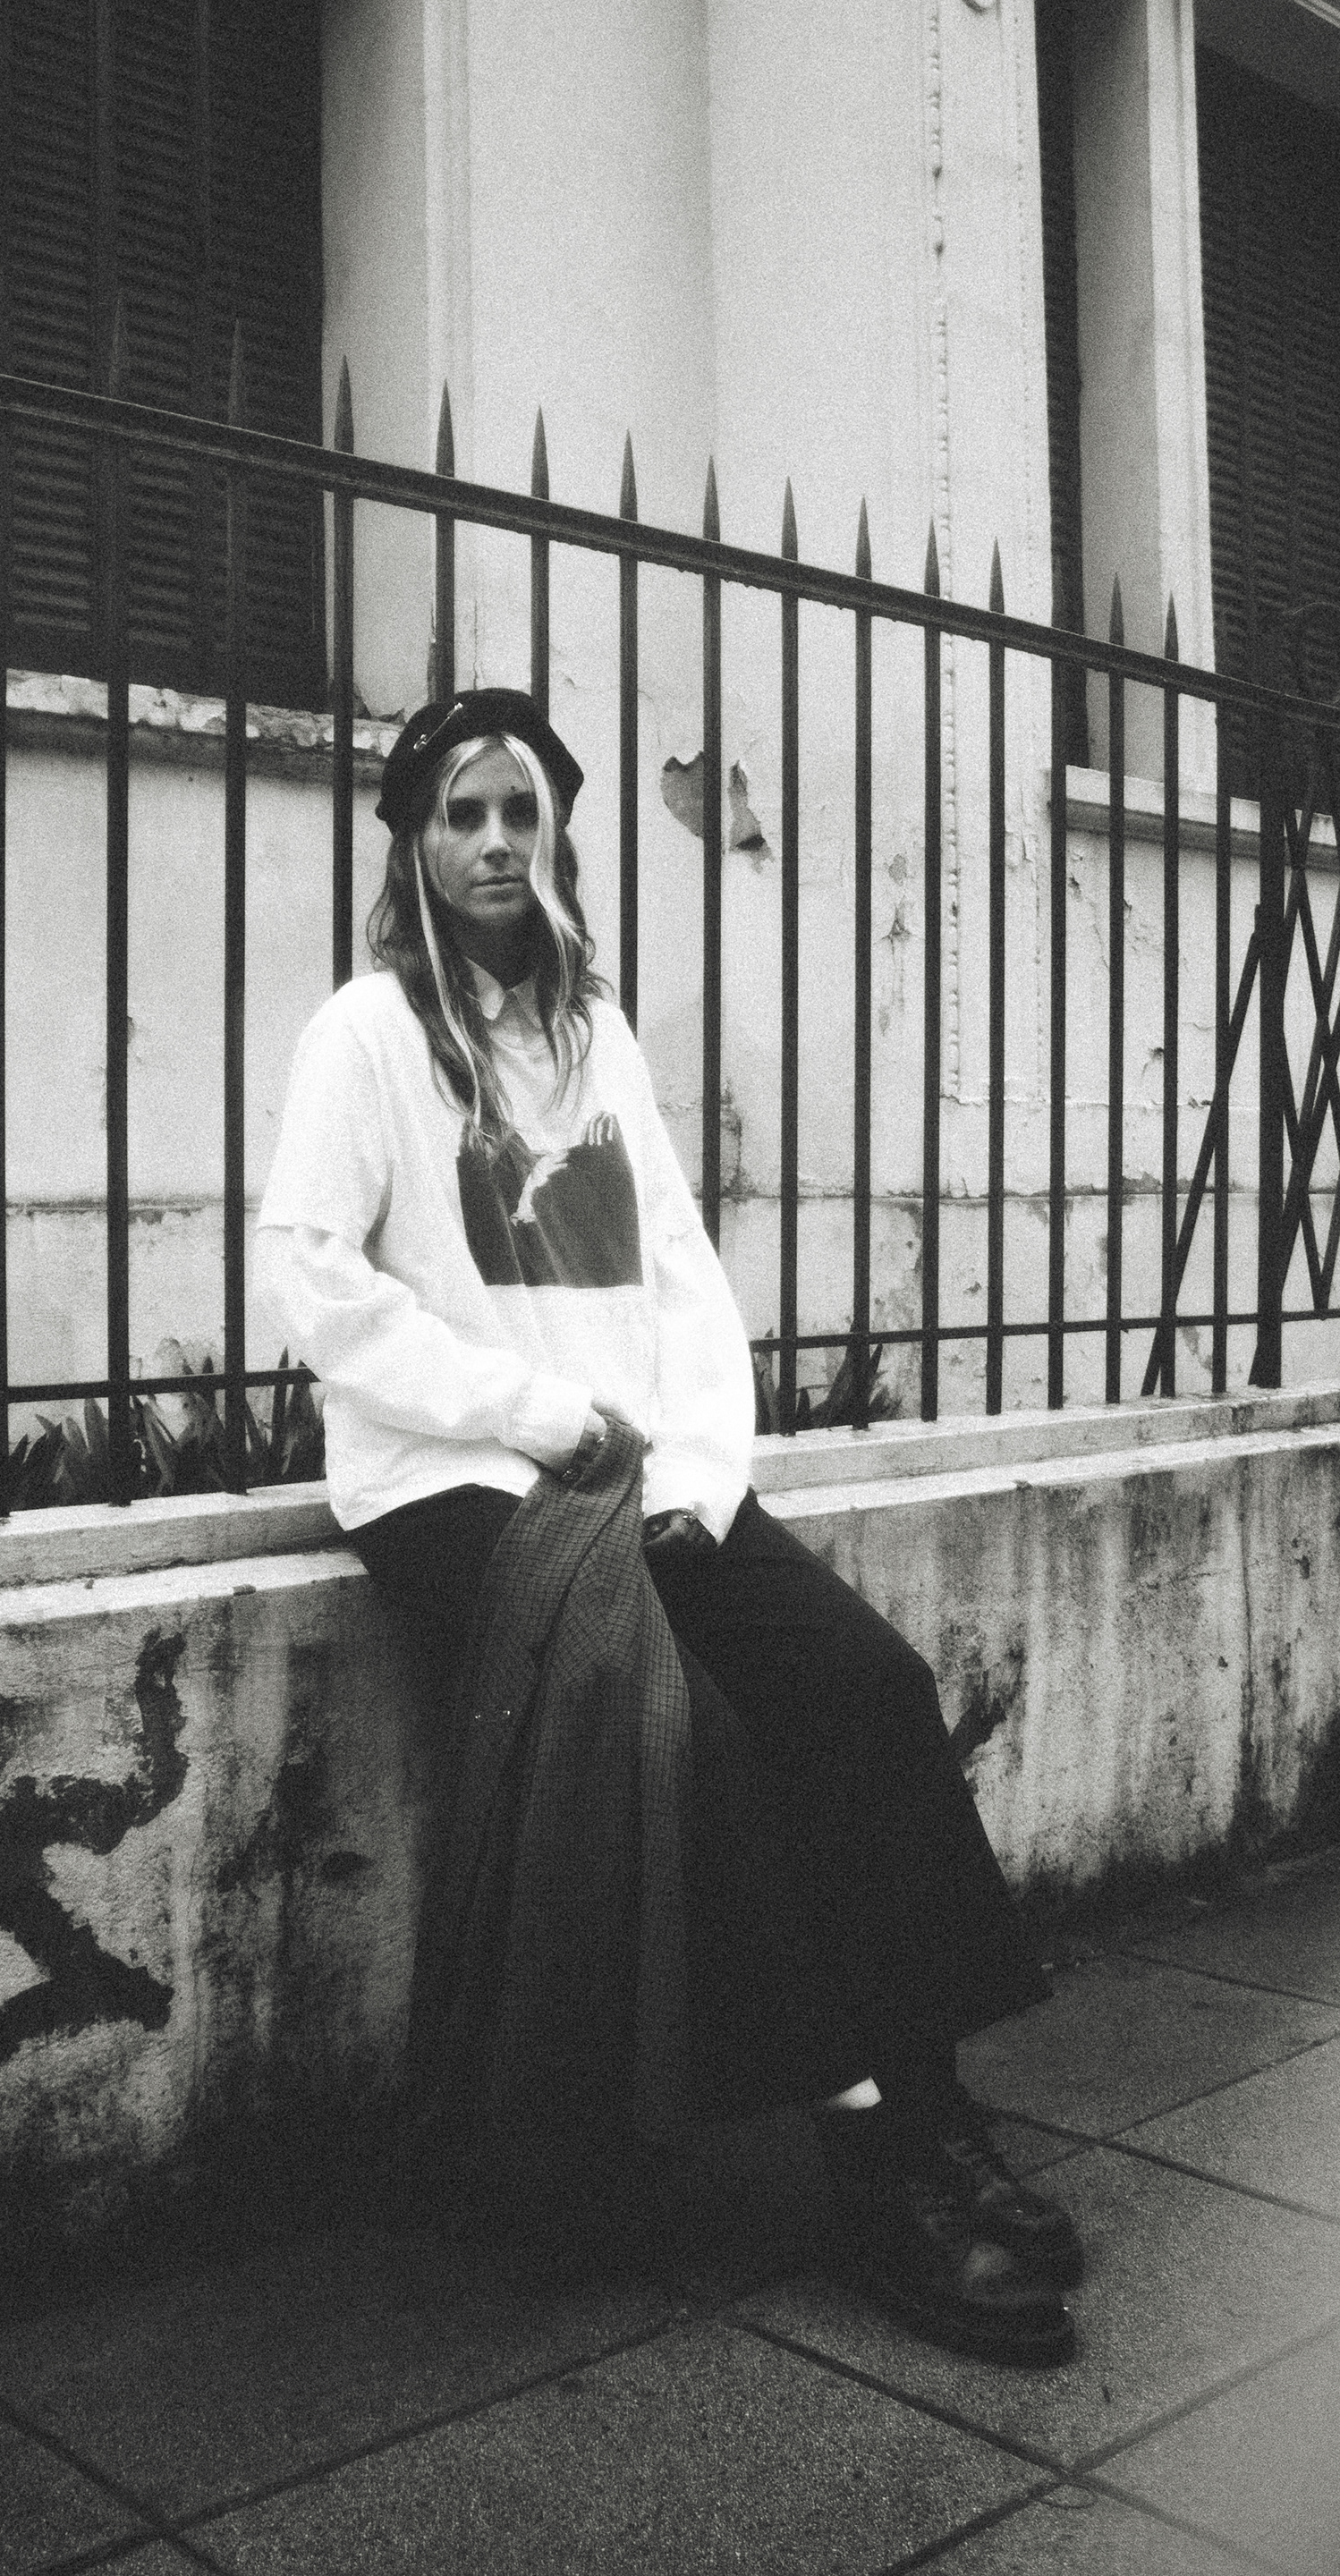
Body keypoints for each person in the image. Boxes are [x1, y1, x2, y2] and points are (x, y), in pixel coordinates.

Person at [257, 687, 1080, 2368]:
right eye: (463, 814)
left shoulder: (595, 1038)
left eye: (522, 812)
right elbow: (314, 1282)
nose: (497, 842)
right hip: (459, 1481)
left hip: (641, 1476)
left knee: (863, 1685)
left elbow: (684, 1279)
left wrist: (701, 1474)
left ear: (556, 834)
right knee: (687, 1739)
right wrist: (530, 1412)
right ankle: (875, 2160)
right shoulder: (366, 1035)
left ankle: (932, 2097)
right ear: (414, 842)